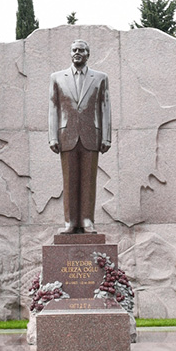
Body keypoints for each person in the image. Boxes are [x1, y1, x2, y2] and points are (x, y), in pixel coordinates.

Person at [48, 39, 111, 234]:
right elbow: (53, 108)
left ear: (87, 55)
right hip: (66, 135)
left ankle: (87, 220)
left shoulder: (100, 78)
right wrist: (52, 137)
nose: (77, 52)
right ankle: (70, 222)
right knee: (69, 181)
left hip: (91, 135)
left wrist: (106, 136)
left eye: (81, 50)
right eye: (74, 50)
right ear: (70, 53)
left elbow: (105, 108)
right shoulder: (57, 78)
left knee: (88, 180)